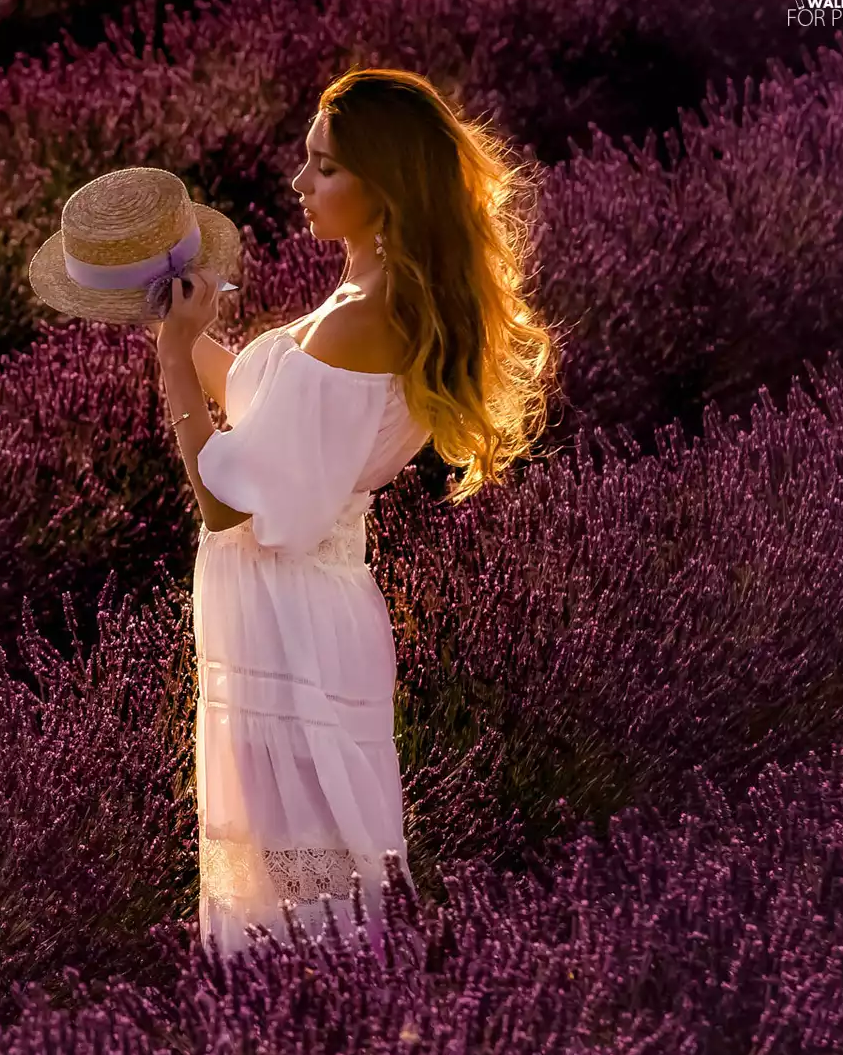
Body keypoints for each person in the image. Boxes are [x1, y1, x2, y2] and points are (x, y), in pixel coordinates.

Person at [149, 68, 562, 966]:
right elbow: (278, 415)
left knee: (311, 897)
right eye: (306, 163)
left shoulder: (365, 318)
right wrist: (186, 336)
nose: (300, 185)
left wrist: (177, 367)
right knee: (295, 880)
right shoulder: (354, 304)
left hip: (293, 617)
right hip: (288, 608)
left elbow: (230, 505)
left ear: (384, 190)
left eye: (324, 168)